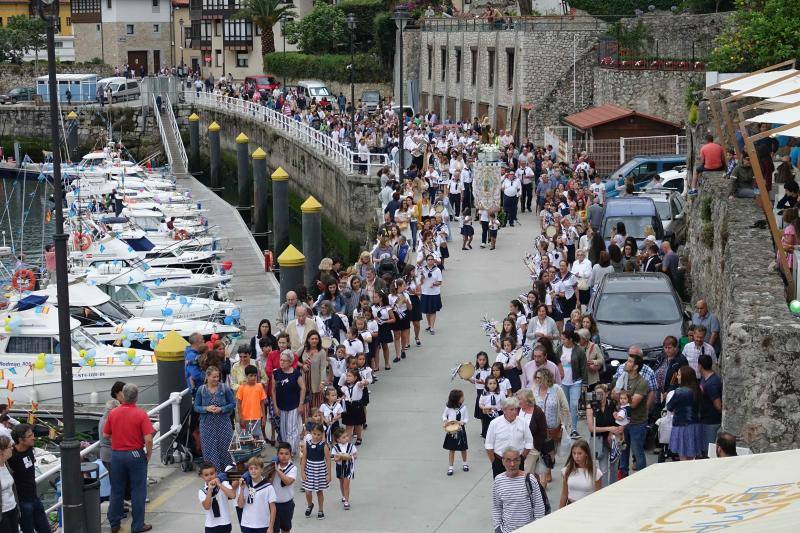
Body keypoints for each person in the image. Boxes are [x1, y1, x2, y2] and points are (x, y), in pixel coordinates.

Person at [104, 383, 155, 533]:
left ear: (123, 396)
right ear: (136, 397)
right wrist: (148, 454)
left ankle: (114, 523)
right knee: (138, 491)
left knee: (117, 490)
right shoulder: (141, 414)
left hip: (117, 455)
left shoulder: (113, 413)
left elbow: (106, 434)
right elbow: (149, 439)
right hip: (135, 454)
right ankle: (137, 526)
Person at [491, 448, 546, 533]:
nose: (512, 464)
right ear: (503, 461)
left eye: (515, 460)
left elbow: (539, 508)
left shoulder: (530, 479)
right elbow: (497, 506)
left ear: (520, 461)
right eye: (508, 460)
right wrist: (497, 527)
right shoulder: (498, 481)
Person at [194, 366, 236, 472]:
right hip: (207, 425)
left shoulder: (224, 388)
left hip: (223, 424)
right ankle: (213, 473)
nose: (216, 379)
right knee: (209, 449)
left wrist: (221, 409)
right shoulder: (201, 390)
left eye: (218, 377)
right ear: (207, 377)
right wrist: (206, 408)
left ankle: (227, 472)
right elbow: (196, 407)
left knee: (225, 448)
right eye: (214, 377)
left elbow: (232, 403)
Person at [484, 397, 534, 478]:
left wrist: (522, 457)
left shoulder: (522, 422)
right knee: (501, 487)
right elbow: (489, 445)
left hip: (517, 462)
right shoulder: (494, 423)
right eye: (511, 409)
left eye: (516, 409)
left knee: (518, 486)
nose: (515, 412)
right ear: (504, 410)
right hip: (499, 461)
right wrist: (494, 462)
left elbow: (529, 442)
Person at [617, 353, 649, 478]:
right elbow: (614, 394)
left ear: (635, 367)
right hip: (624, 423)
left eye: (629, 361)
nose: (626, 363)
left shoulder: (642, 382)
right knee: (623, 450)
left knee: (637, 453)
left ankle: (642, 478)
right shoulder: (623, 378)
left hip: (637, 423)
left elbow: (634, 403)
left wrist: (621, 397)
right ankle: (623, 477)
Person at [585, 383, 622, 487]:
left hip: (612, 439)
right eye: (596, 394)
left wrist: (611, 432)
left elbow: (618, 420)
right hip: (599, 440)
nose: (599, 396)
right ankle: (604, 490)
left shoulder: (612, 404)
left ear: (606, 394)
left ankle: (613, 487)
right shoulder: (591, 406)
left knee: (614, 467)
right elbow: (591, 428)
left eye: (601, 393)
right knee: (603, 469)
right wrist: (609, 429)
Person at [666, 366, 704, 461]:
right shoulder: (698, 389)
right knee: (691, 455)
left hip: (682, 426)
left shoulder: (680, 391)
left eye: (679, 374)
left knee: (683, 456)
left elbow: (670, 407)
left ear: (684, 377)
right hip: (695, 425)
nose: (677, 376)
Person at [272, 351, 305, 454]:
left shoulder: (296, 373)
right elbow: (273, 390)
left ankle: (289, 452)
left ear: (290, 362)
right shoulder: (276, 373)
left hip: (293, 405)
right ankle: (286, 450)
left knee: (292, 430)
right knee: (283, 431)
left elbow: (303, 388)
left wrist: (301, 404)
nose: (282, 362)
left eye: (285, 361)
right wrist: (275, 406)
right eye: (281, 360)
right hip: (281, 406)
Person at [556, 330, 587, 439]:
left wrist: (584, 383)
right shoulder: (559, 349)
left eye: (564, 339)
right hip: (563, 381)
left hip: (575, 381)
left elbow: (583, 367)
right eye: (561, 339)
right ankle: (565, 427)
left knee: (574, 405)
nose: (562, 341)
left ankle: (574, 428)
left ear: (570, 339)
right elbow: (556, 363)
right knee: (565, 406)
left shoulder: (579, 351)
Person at [237, 457, 277, 533]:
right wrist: (242, 489)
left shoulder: (268, 487)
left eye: (256, 468)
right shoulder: (244, 485)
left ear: (262, 469)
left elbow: (273, 508)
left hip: (263, 525)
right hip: (247, 524)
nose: (253, 471)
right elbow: (240, 505)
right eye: (251, 469)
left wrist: (271, 527)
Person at [560, 439, 602, 507]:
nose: (576, 456)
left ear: (586, 454)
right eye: (574, 453)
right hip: (570, 506)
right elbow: (564, 494)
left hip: (588, 506)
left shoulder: (596, 473)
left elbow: (598, 496)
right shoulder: (567, 471)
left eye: (579, 453)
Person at [300, 423, 330, 520]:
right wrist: (302, 472)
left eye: (319, 434)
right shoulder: (307, 444)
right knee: (308, 491)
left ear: (322, 434)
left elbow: (328, 460)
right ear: (311, 433)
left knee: (319, 491)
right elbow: (304, 458)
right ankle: (310, 505)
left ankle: (320, 510)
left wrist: (329, 474)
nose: (316, 436)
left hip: (320, 470)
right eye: (314, 434)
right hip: (309, 470)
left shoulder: (324, 446)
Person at [197, 461, 237, 533]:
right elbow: (207, 506)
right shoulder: (202, 491)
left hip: (225, 522)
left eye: (212, 474)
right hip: (211, 525)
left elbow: (233, 495)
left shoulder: (223, 483)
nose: (210, 477)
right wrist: (210, 490)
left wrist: (219, 484)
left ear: (216, 473)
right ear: (202, 476)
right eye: (206, 475)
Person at [515, 389, 547, 474]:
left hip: (532, 448)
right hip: (517, 446)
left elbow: (543, 432)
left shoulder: (538, 412)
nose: (518, 401)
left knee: (526, 473)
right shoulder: (517, 410)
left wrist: (536, 447)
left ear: (527, 400)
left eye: (520, 399)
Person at [698, 354, 723, 451]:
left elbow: (718, 405)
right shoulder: (706, 379)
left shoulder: (711, 383)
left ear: (699, 366)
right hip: (706, 420)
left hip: (711, 421)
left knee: (709, 450)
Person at [442, 389, 469, 476]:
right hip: (451, 430)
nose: (463, 398)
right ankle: (450, 467)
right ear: (456, 398)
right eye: (462, 397)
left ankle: (465, 463)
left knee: (463, 448)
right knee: (451, 449)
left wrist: (463, 422)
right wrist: (445, 421)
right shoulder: (448, 408)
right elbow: (444, 415)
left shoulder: (463, 408)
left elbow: (466, 418)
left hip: (460, 430)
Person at [271, 442, 297, 532]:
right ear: (277, 454)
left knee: (286, 528)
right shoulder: (272, 467)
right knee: (274, 529)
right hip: (274, 504)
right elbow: (268, 483)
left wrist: (277, 470)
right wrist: (273, 470)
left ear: (290, 455)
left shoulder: (292, 468)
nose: (284, 456)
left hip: (287, 504)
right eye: (281, 453)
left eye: (286, 454)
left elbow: (288, 481)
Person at [330, 427, 357, 511]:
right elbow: (335, 458)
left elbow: (355, 455)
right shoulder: (335, 448)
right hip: (340, 467)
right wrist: (339, 458)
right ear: (338, 440)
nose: (346, 438)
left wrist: (350, 457)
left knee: (346, 484)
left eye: (346, 436)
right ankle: (343, 496)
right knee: (341, 483)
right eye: (343, 437)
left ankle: (346, 501)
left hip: (348, 467)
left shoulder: (351, 446)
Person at [237, 365, 266, 438]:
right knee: (245, 438)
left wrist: (264, 417)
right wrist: (241, 418)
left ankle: (256, 449)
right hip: (245, 418)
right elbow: (239, 404)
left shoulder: (260, 386)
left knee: (256, 437)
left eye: (255, 375)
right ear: (246, 376)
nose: (253, 378)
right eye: (251, 375)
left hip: (257, 418)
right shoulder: (241, 388)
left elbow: (262, 403)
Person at [419, 254, 443, 334]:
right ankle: (429, 324)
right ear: (426, 261)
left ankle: (432, 327)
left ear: (434, 260)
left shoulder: (437, 270)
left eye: (432, 259)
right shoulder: (423, 269)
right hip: (425, 292)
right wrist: (422, 277)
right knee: (426, 311)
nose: (430, 261)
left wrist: (434, 284)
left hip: (434, 293)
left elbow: (440, 282)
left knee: (433, 311)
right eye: (428, 259)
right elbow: (420, 282)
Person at [0, 434, 18, 532]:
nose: (12, 448)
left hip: (13, 508)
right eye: (9, 447)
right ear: (1, 452)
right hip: (2, 514)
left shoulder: (6, 464)